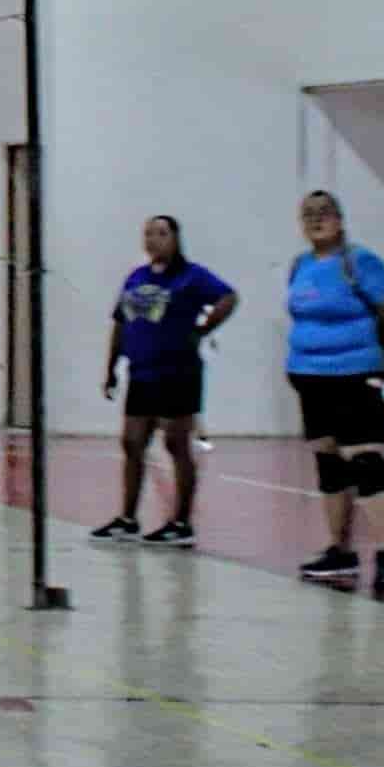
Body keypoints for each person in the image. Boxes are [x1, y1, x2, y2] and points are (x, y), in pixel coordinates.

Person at [282, 191, 384, 598]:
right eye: (309, 214)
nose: (317, 220)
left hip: (354, 376)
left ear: (340, 220)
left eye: (325, 213)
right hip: (310, 378)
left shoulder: (360, 263)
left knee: (365, 460)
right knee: (328, 461)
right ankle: (339, 549)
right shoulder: (300, 265)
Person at [93, 216, 233, 549]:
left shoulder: (192, 276)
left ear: (175, 238)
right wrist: (111, 367)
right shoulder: (136, 278)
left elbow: (228, 298)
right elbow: (120, 323)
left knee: (176, 443)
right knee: (132, 442)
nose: (154, 239)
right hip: (142, 374)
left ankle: (181, 522)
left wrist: (203, 329)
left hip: (179, 372)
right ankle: (127, 519)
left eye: (161, 233)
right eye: (148, 234)